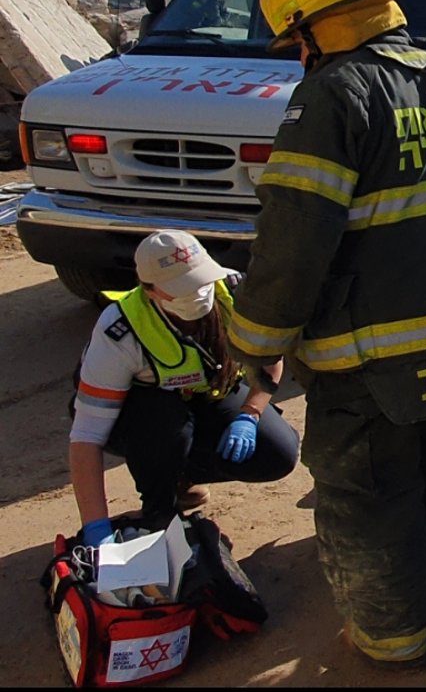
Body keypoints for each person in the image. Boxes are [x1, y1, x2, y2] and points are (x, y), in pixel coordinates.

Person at [226, 0, 426, 666]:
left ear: (317, 29)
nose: (298, 57)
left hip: (371, 369)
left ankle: (392, 650)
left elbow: (294, 240)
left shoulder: (333, 96)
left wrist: (255, 341)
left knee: (373, 504)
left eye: (297, 42)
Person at [69, 230, 299, 546]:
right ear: (149, 291)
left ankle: (180, 476)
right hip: (144, 411)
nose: (197, 292)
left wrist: (250, 414)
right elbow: (86, 437)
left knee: (276, 453)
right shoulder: (120, 331)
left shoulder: (235, 289)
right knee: (167, 424)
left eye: (201, 281)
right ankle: (158, 511)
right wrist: (94, 526)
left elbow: (269, 361)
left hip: (207, 392)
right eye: (181, 288)